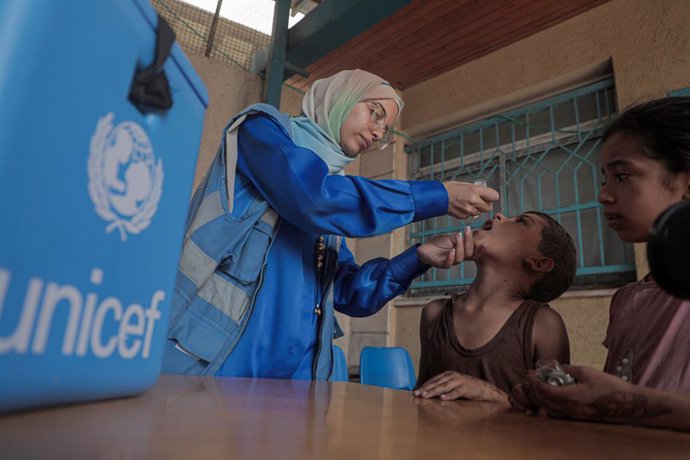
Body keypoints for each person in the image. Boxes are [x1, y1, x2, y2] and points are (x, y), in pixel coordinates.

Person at [161, 69, 499, 380]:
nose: (378, 132)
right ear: (341, 97)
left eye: (384, 130)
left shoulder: (334, 196)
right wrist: (435, 197)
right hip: (212, 362)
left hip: (290, 385)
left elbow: (351, 293)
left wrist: (418, 257)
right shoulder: (261, 131)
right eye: (375, 113)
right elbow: (311, 196)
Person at [510, 96, 690, 430]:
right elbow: (620, 397)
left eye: (622, 175)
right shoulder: (627, 300)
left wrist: (622, 405)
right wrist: (565, 398)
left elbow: (624, 403)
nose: (604, 195)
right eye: (603, 178)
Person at [413, 211, 576, 405]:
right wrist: (418, 256)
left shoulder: (543, 325)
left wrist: (490, 394)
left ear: (539, 262)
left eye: (521, 221)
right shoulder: (435, 314)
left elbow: (556, 414)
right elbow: (420, 398)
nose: (499, 215)